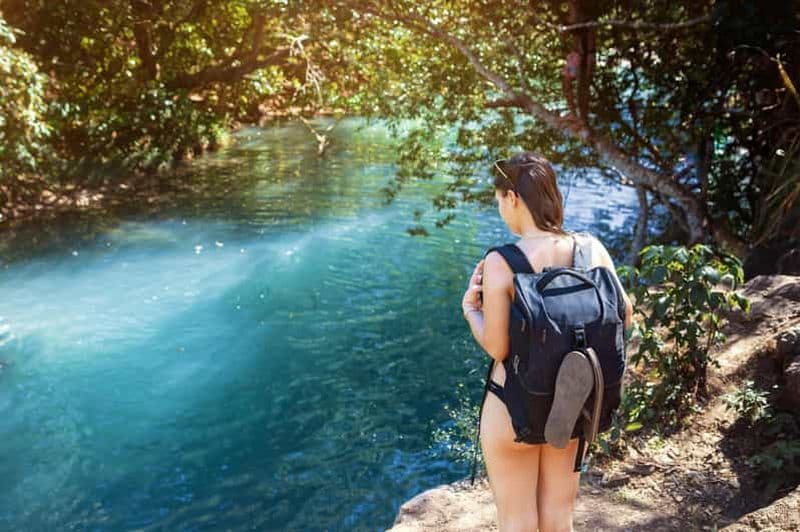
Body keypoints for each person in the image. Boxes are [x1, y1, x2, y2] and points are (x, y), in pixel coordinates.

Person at [461, 152, 633, 532]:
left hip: (513, 406)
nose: (501, 209)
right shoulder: (591, 249)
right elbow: (625, 313)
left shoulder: (502, 261)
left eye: (499, 200)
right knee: (559, 517)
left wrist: (471, 311)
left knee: (517, 520)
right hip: (572, 405)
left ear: (514, 199)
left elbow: (497, 348)